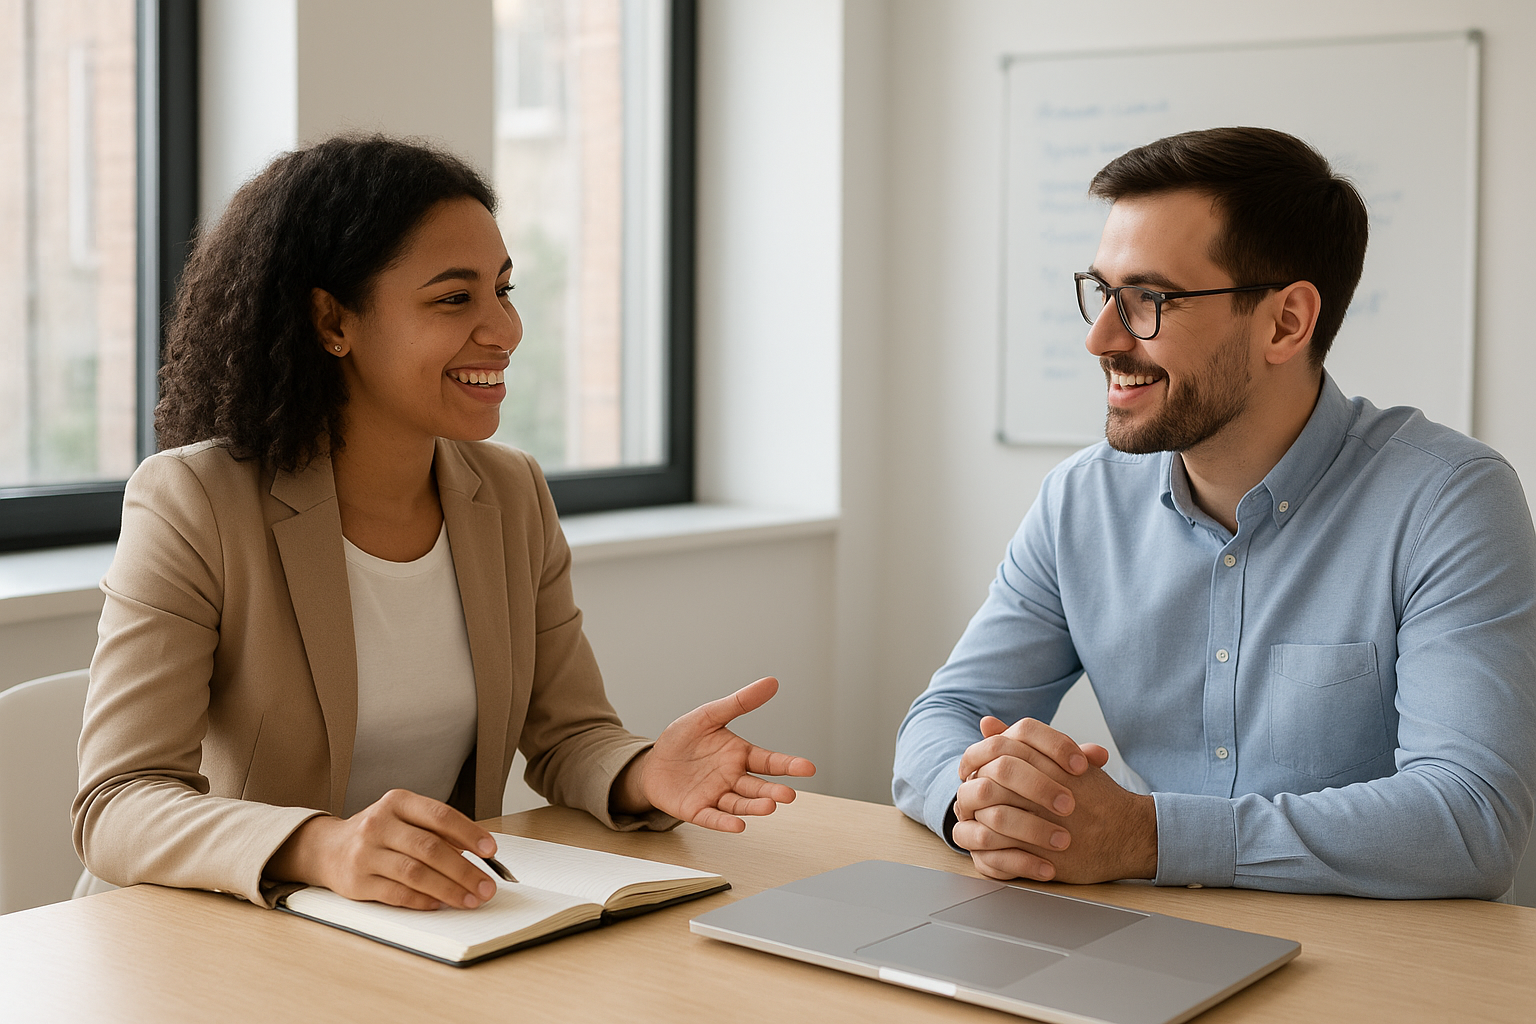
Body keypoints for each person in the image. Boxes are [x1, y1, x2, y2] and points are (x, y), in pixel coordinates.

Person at [73, 135, 814, 913]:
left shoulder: (511, 492)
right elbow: (117, 801)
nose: (504, 330)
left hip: (423, 932)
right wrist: (321, 845)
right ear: (333, 321)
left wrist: (643, 772)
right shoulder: (194, 500)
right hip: (208, 937)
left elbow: (569, 736)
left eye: (504, 290)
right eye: (454, 298)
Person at [892, 126, 1536, 900]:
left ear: (1285, 323)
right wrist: (986, 804)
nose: (1101, 338)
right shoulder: (1081, 500)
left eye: (1148, 300)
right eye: (1103, 293)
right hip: (1139, 941)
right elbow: (949, 715)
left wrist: (1145, 836)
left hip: (1368, 969)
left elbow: (1470, 821)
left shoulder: (1447, 500)